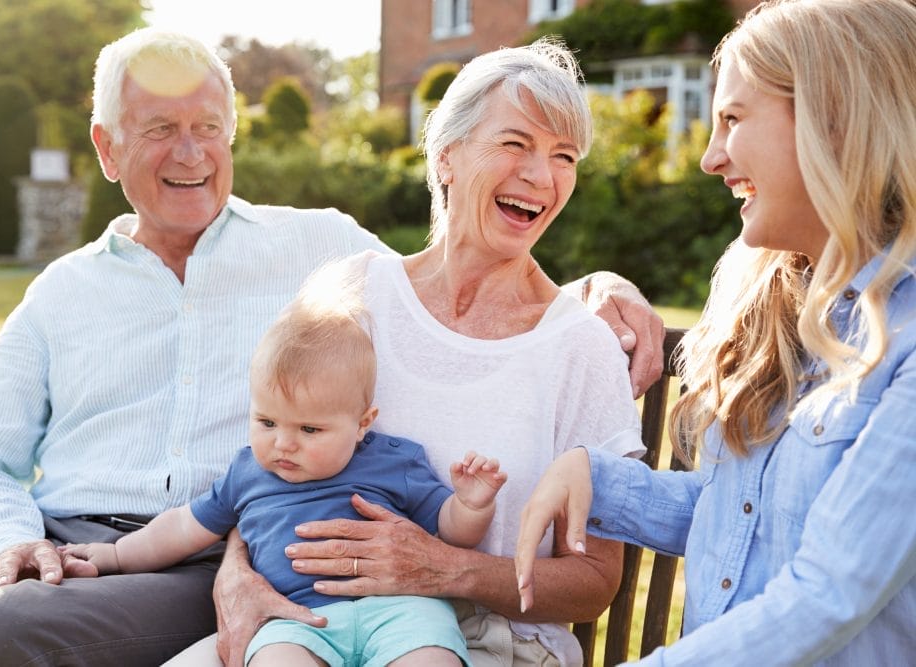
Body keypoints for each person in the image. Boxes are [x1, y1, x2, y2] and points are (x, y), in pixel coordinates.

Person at [0, 27, 663, 666]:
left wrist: (597, 284)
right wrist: (14, 541)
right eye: (160, 130)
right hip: (120, 558)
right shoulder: (68, 290)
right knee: (7, 621)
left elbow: (482, 297)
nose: (192, 153)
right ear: (106, 149)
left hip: (281, 579)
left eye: (210, 127)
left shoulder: (321, 248)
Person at [177, 38, 648, 667]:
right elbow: (274, 462)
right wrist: (236, 575)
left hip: (489, 646)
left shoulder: (579, 345)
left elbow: (593, 582)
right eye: (514, 144)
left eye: (564, 156)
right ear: (447, 156)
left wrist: (447, 570)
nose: (541, 176)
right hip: (307, 626)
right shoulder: (354, 292)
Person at [514, 1, 916, 665]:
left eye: (732, 119)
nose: (709, 158)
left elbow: (829, 592)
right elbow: (743, 513)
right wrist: (599, 480)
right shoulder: (792, 305)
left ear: (834, 119)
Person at [62, 278, 507, 666]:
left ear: (362, 424)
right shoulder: (247, 473)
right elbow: (181, 527)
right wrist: (118, 555)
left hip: (401, 610)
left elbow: (451, 533)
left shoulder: (395, 460)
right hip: (292, 616)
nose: (283, 443)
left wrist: (470, 503)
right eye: (267, 422)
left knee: (430, 657)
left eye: (310, 429)